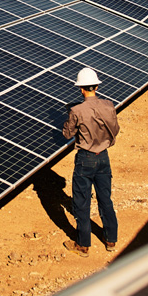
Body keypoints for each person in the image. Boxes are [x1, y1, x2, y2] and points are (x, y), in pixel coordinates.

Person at [61, 66, 119, 255]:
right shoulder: (109, 105)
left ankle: (83, 245)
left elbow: (67, 133)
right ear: (96, 86)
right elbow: (115, 129)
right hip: (103, 158)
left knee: (81, 202)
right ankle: (111, 240)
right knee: (105, 200)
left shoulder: (77, 110)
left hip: (85, 159)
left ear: (81, 88)